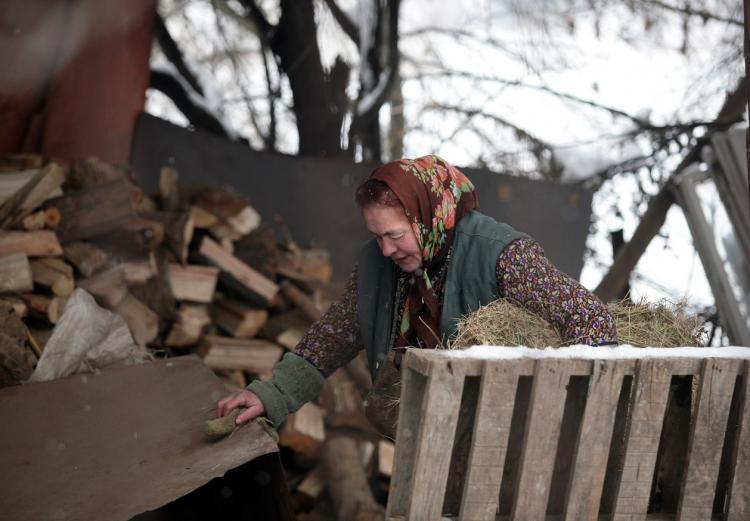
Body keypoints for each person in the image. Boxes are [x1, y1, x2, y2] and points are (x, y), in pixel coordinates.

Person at [217, 155, 617, 437]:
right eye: (377, 236)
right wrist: (272, 394)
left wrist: (572, 416)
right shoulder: (380, 264)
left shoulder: (501, 255)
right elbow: (336, 333)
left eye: (394, 235)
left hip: (503, 435)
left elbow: (591, 320)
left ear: (428, 216)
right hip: (425, 433)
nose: (387, 249)